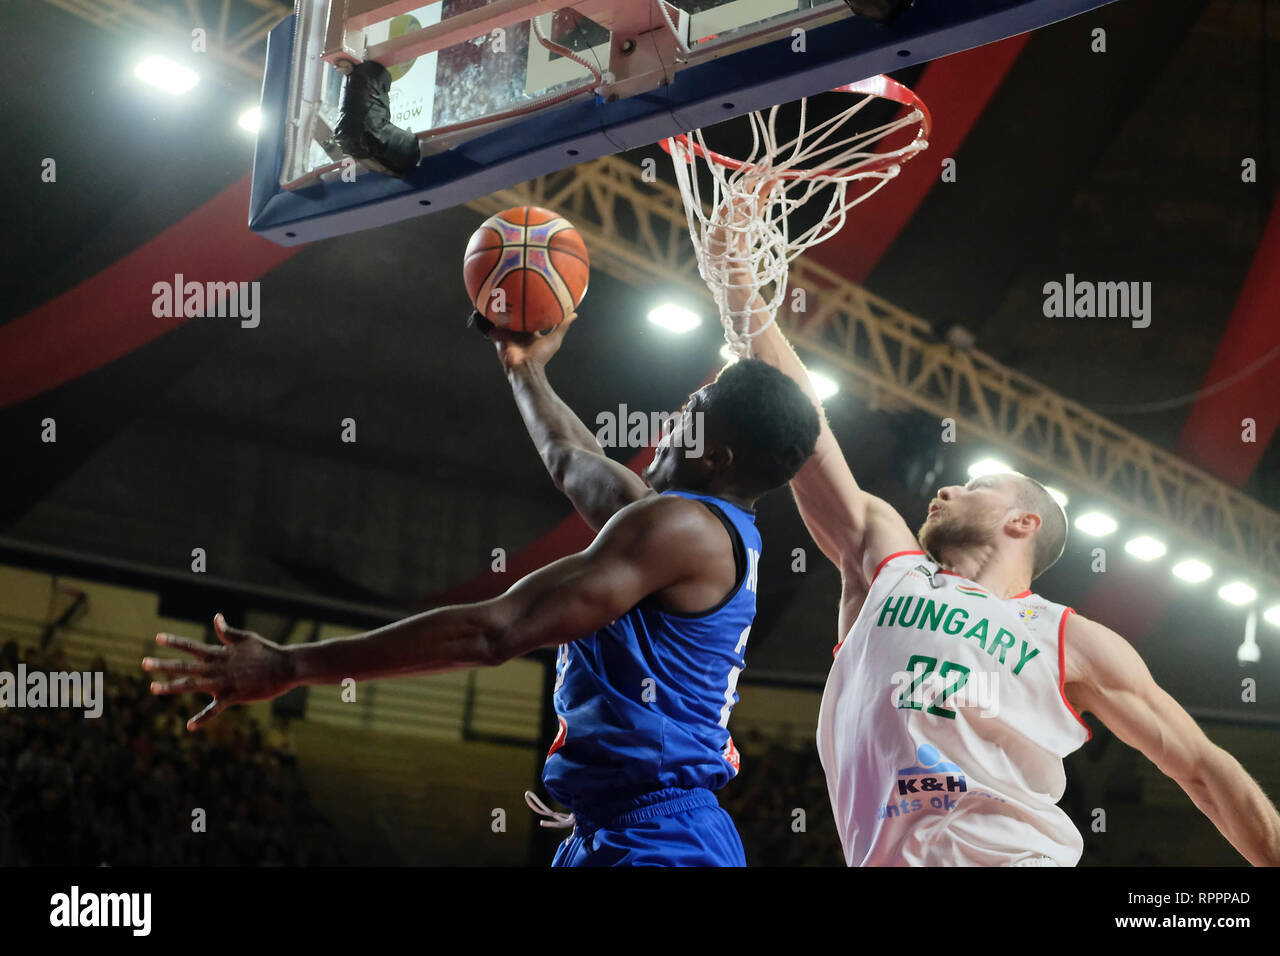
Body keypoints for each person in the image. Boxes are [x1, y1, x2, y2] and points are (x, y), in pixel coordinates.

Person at [710, 206, 1280, 867]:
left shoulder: (1073, 639)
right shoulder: (886, 563)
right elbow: (806, 429)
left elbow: (1201, 767)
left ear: (1025, 522)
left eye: (975, 485)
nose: (947, 490)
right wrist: (739, 291)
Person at [143, 311, 821, 867]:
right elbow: (570, 459)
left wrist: (292, 666)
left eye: (691, 412)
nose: (673, 418)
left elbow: (495, 631)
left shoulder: (678, 527)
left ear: (717, 456)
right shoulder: (684, 525)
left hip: (662, 842)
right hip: (617, 831)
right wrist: (523, 367)